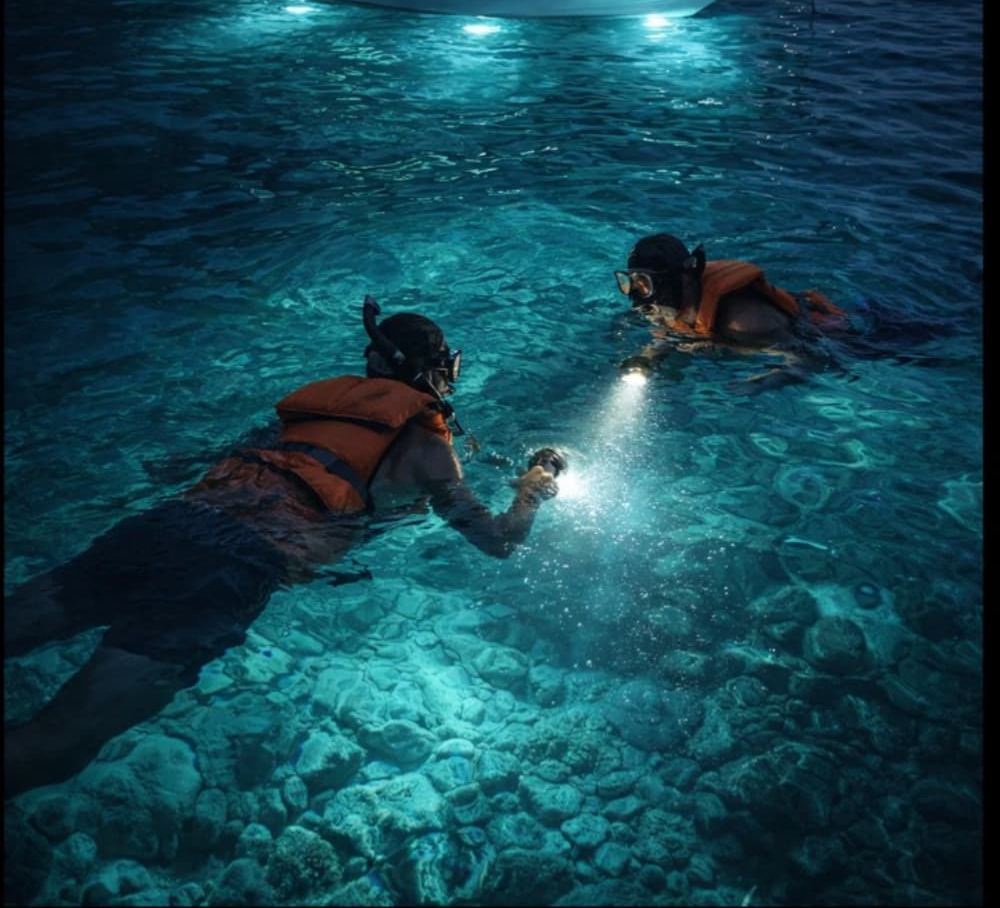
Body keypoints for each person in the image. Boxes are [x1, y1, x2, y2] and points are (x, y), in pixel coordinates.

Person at [4, 299, 564, 798]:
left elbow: (185, 466)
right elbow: (499, 542)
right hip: (231, 566)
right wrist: (533, 488)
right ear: (439, 370)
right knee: (58, 743)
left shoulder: (308, 412)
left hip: (170, 521)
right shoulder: (426, 448)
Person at [615, 232, 847, 376]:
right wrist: (648, 358)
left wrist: (759, 380)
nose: (637, 296)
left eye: (645, 284)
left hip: (850, 342)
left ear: (683, 279)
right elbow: (673, 334)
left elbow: (811, 357)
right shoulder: (664, 304)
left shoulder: (744, 321)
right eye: (631, 283)